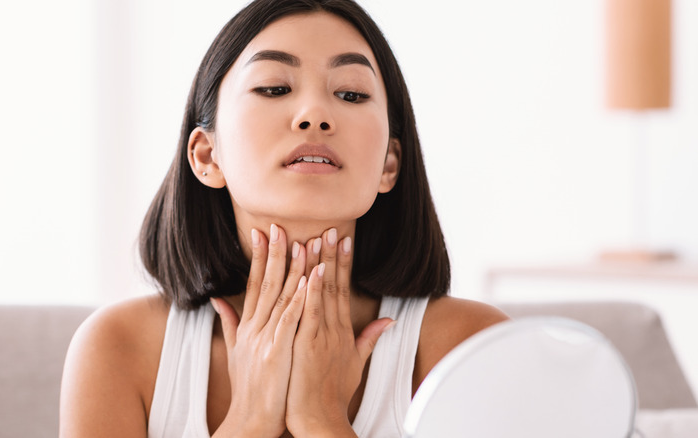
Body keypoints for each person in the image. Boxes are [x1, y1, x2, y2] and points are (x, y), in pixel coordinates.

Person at [60, 1, 508, 437]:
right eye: (274, 89)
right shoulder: (119, 348)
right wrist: (250, 420)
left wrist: (323, 420)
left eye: (351, 94)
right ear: (206, 155)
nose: (315, 115)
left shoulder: (472, 348)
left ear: (389, 165)